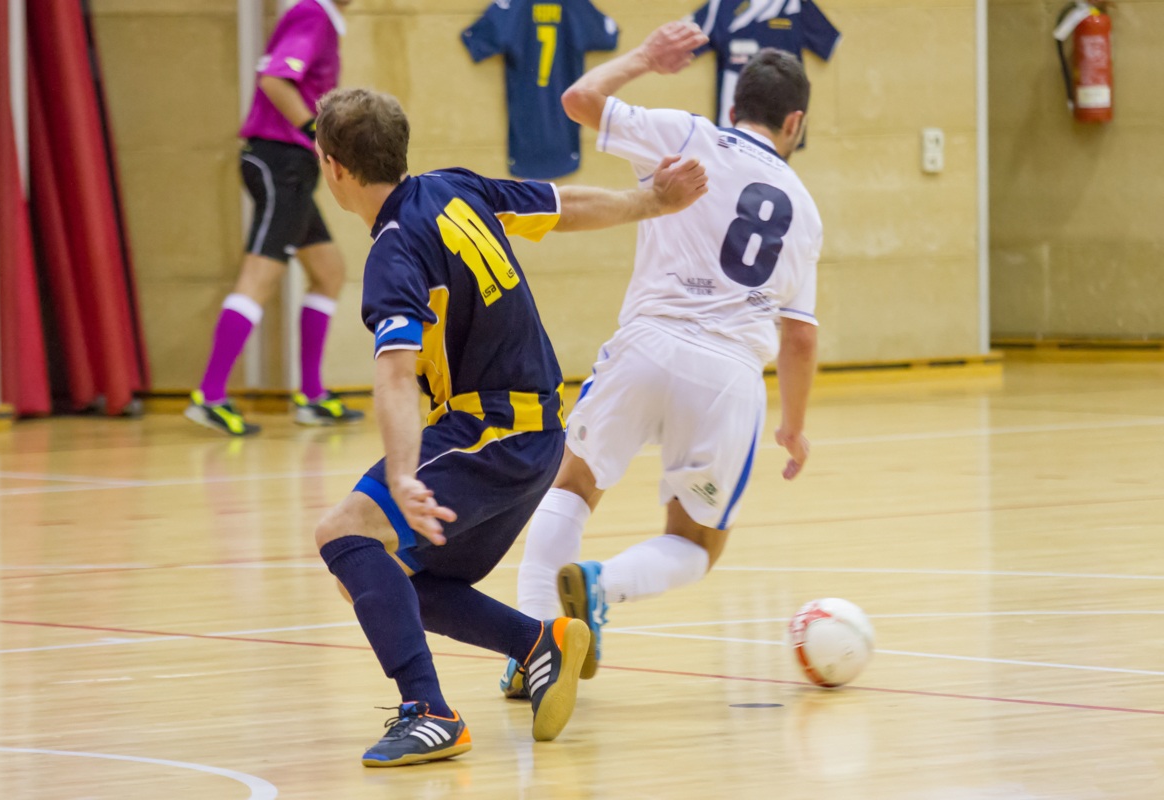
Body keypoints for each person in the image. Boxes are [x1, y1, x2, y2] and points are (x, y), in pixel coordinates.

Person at [311, 87, 707, 767]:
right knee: (379, 571)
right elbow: (560, 205)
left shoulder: (394, 254)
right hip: (535, 435)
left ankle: (429, 711)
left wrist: (403, 473)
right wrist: (649, 202)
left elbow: (396, 372)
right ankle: (537, 644)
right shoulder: (453, 189)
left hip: (490, 432)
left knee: (344, 535)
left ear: (333, 167)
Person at [503, 23, 823, 696]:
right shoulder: (805, 210)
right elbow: (799, 337)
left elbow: (579, 99)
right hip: (728, 379)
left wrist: (645, 59)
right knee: (695, 544)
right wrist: (793, 426)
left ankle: (531, 651)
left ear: (735, 105)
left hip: (646, 346)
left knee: (571, 487)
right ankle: (601, 584)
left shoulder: (688, 134)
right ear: (794, 121)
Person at [186, 0, 362, 436]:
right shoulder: (312, 14)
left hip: (294, 170)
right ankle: (209, 396)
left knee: (329, 272)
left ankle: (311, 395)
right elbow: (275, 81)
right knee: (259, 277)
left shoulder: (325, 22)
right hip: (278, 163)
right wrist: (319, 134)